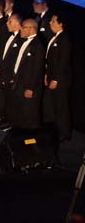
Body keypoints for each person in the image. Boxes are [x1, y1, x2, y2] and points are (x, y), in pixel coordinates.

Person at [6, 19, 46, 129]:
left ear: (31, 29)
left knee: (29, 114)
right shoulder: (22, 42)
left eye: (23, 27)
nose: (20, 29)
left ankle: (31, 136)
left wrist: (30, 88)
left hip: (28, 85)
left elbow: (37, 69)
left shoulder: (38, 46)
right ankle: (18, 133)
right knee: (18, 111)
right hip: (18, 82)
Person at [43, 13, 72, 141]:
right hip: (51, 77)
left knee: (61, 106)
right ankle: (53, 130)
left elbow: (63, 61)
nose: (50, 23)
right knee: (52, 105)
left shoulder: (64, 39)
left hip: (60, 80)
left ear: (61, 24)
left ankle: (64, 133)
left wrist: (55, 79)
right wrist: (46, 74)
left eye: (53, 21)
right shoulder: (54, 37)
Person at [0, 13, 22, 125]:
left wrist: (11, 75)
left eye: (10, 22)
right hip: (3, 71)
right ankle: (2, 115)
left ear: (17, 23)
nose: (7, 24)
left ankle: (10, 121)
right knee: (2, 96)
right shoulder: (9, 36)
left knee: (11, 99)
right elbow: (3, 53)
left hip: (12, 74)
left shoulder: (21, 39)